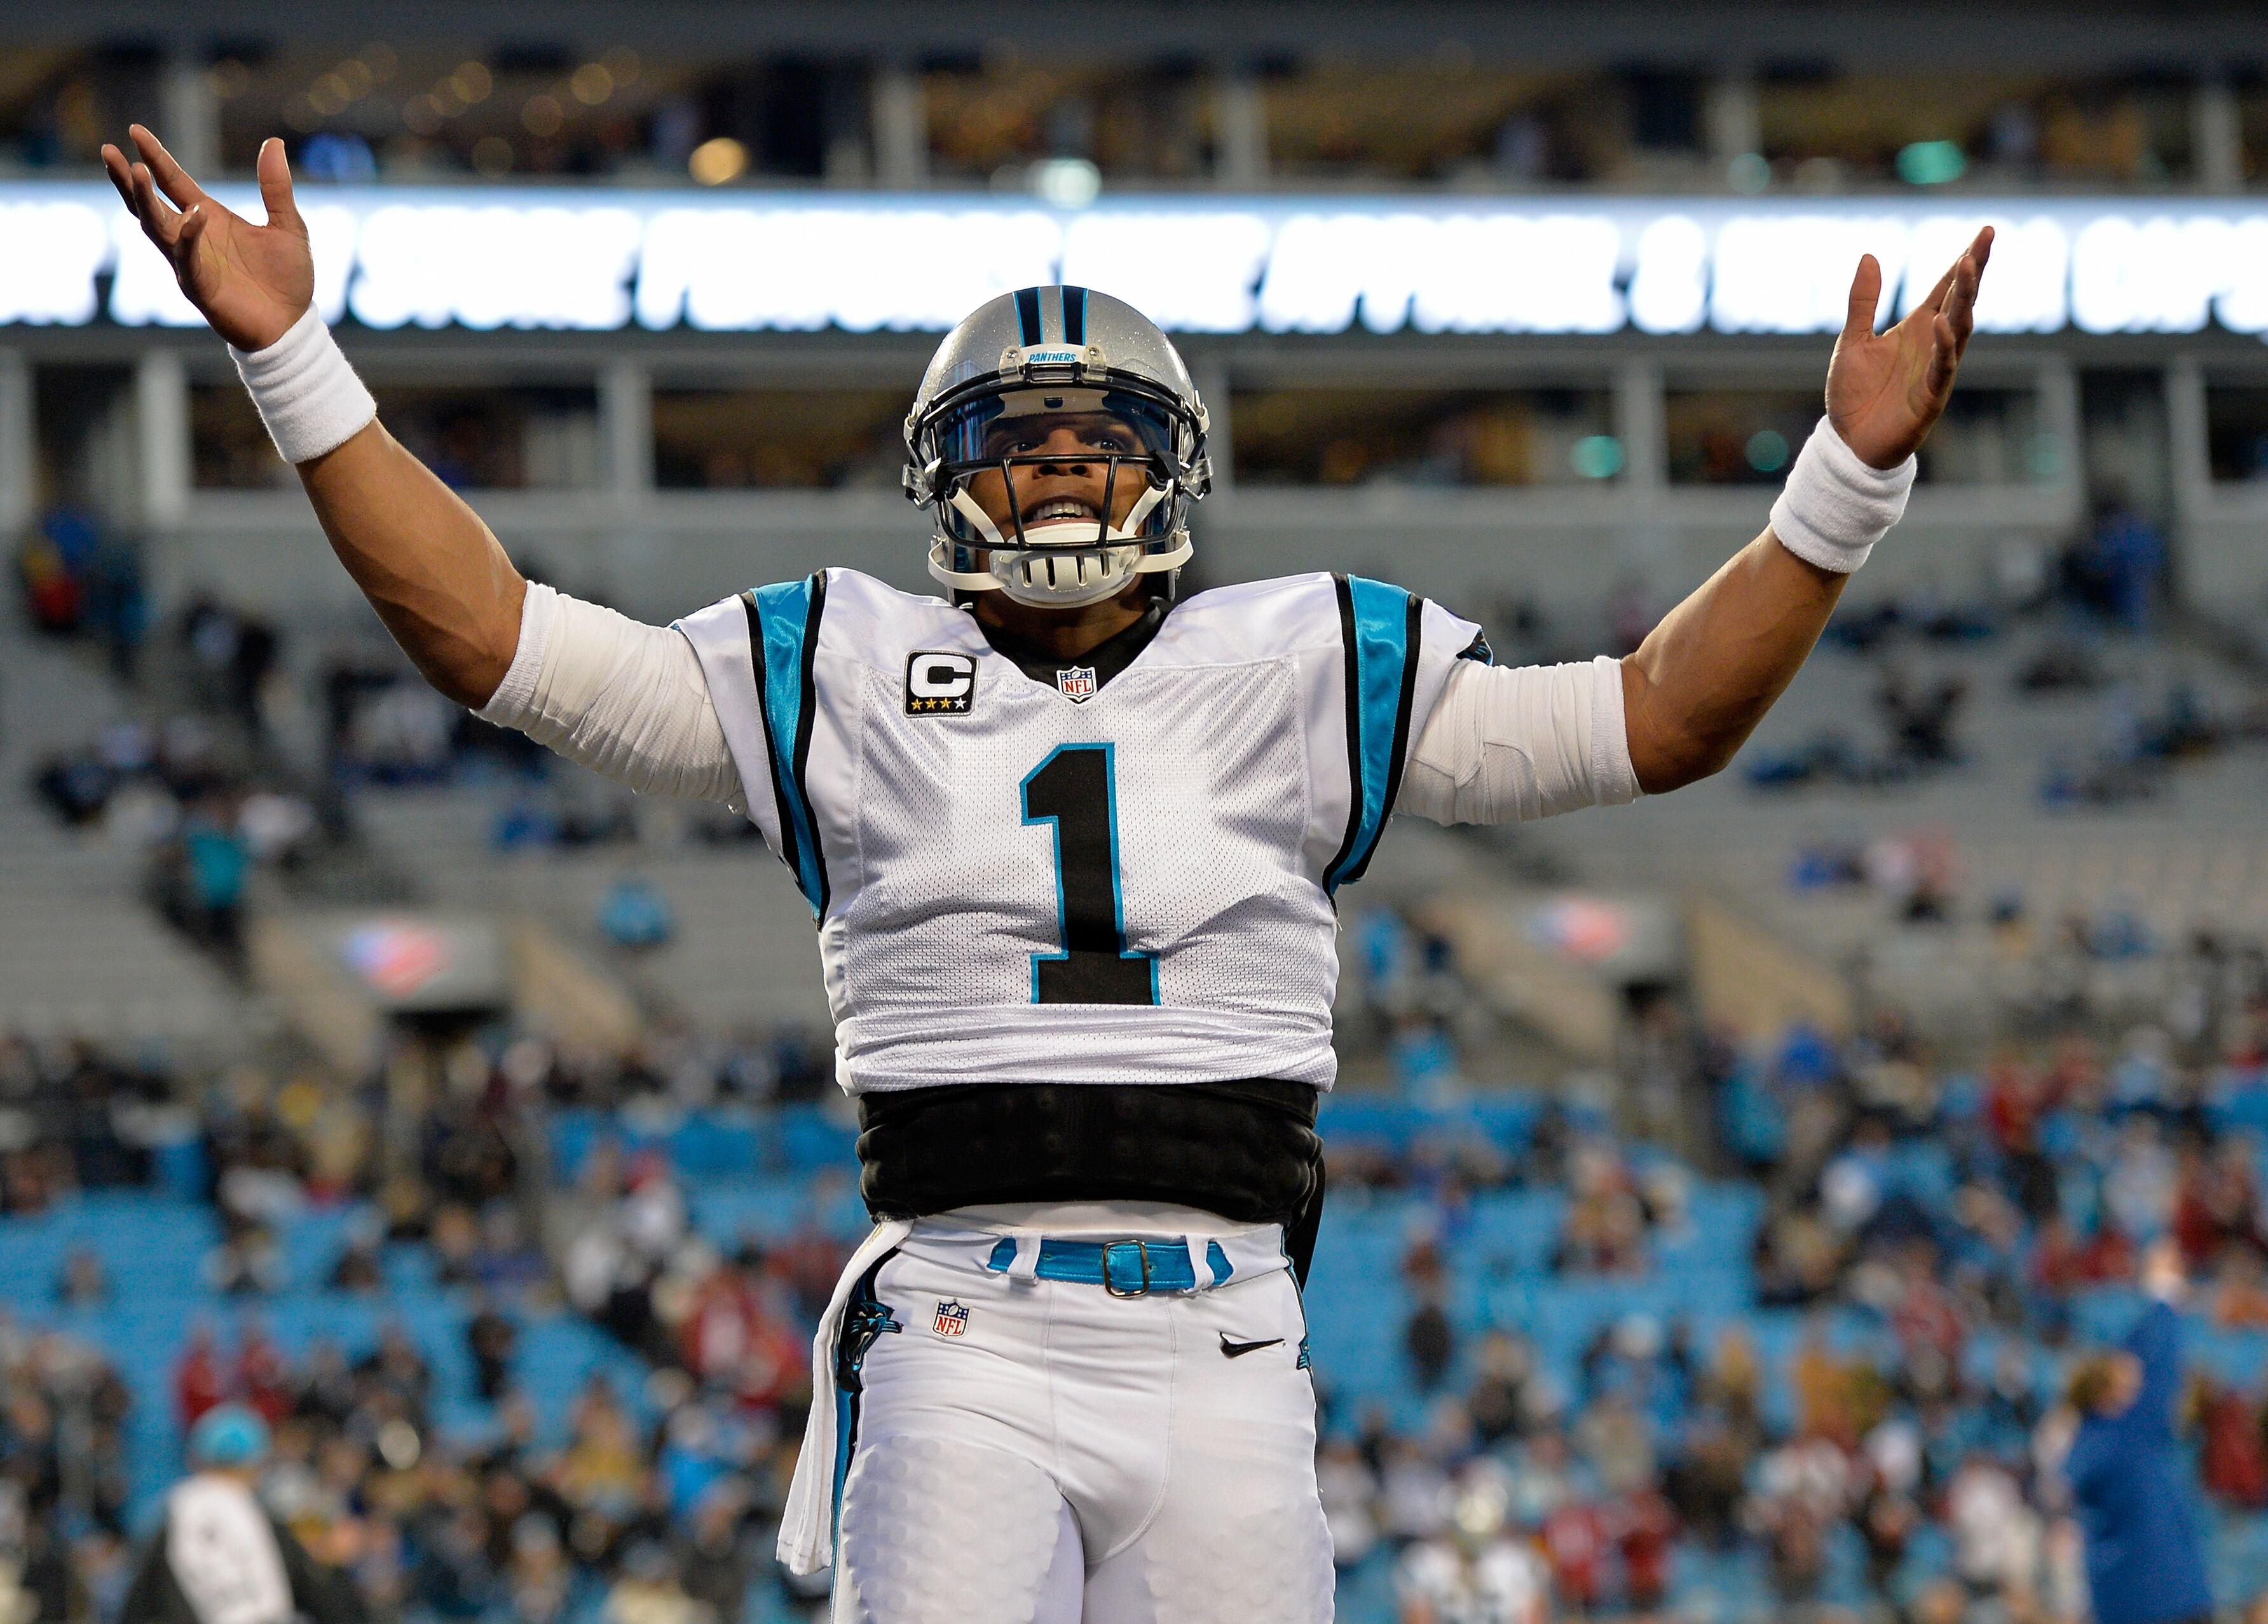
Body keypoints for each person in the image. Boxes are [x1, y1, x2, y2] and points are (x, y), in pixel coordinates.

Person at [103, 123, 1990, 1623]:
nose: (1063, 482)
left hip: (1229, 1328)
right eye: (1020, 449)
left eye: (1098, 445)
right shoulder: (824, 657)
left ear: (1172, 468)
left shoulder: (1304, 655)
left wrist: (1840, 478)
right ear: (945, 485)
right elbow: (494, 640)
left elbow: (1652, 717)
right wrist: (288, 352)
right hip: (959, 1326)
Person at [2063, 1240, 2212, 1624]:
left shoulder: (2092, 1439)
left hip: (2125, 1603)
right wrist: (2164, 1292)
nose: (2138, 1384)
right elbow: (2160, 1369)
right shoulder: (2125, 1438)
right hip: (2163, 1602)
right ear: (2108, 1394)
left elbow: (2135, 1358)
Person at [120, 1402, 366, 1624]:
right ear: (257, 1463)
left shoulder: (167, 1519)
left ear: (197, 1458)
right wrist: (331, 1566)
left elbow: (136, 1607)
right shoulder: (265, 1524)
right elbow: (331, 1609)